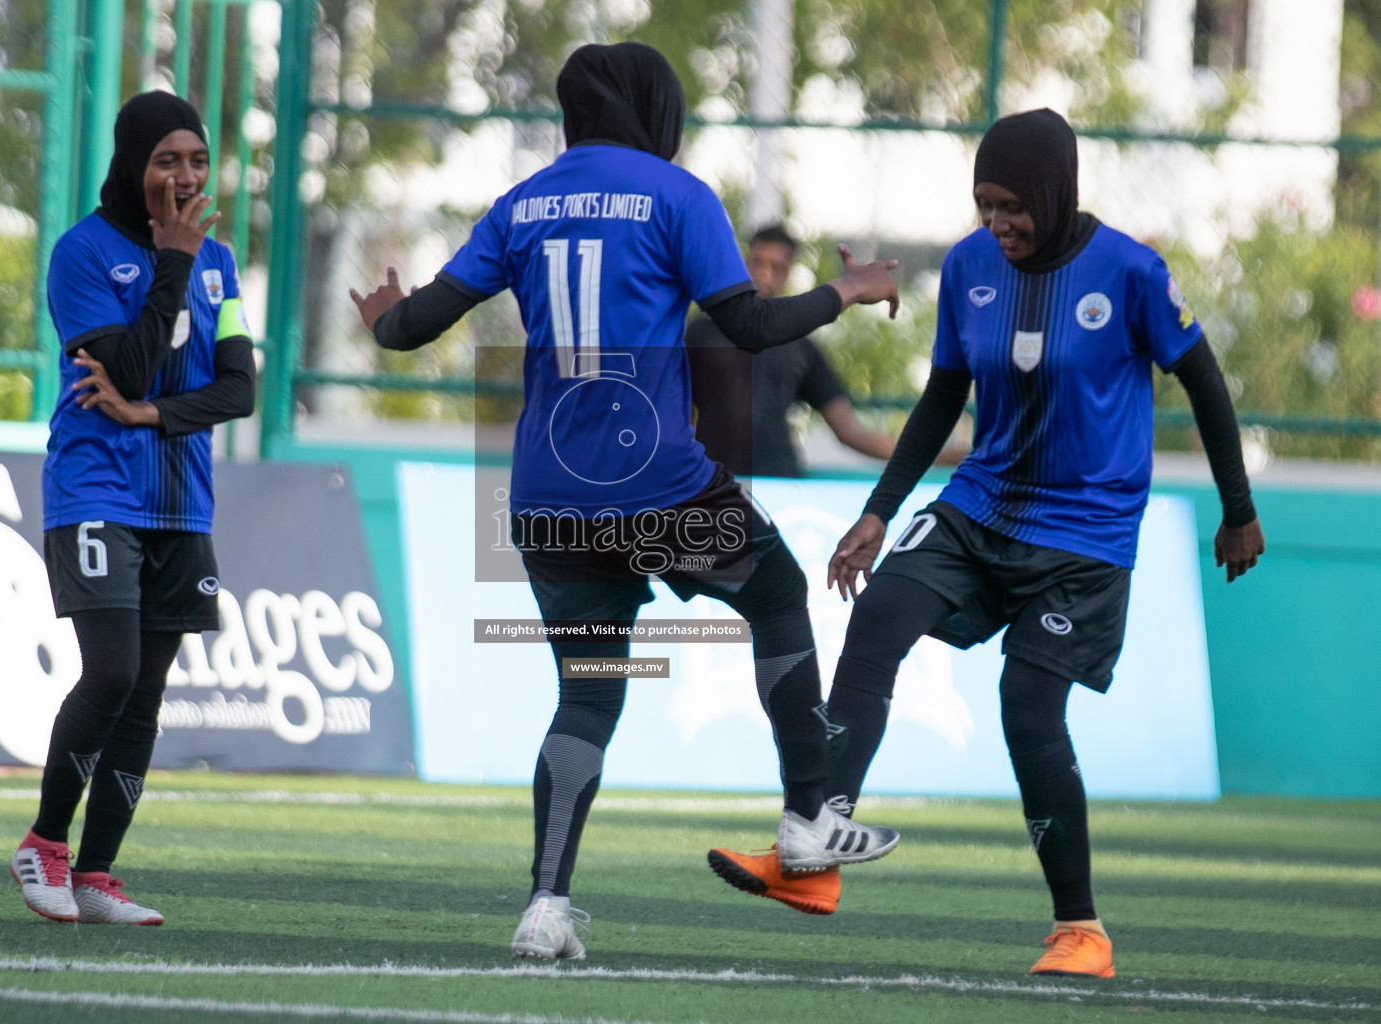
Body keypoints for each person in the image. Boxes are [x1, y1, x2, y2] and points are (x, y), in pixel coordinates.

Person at [351, 42, 904, 961]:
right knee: (773, 593)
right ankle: (807, 820)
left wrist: (382, 316)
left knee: (587, 694)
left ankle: (545, 906)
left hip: (548, 496)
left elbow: (411, 329)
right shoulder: (675, 194)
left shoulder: (523, 203)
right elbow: (751, 326)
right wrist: (844, 288)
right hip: (657, 482)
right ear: (656, 108)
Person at [709, 109, 1265, 976]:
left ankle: (1080, 930)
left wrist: (1239, 509)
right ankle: (815, 853)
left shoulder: (1129, 271)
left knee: (1027, 711)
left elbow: (1204, 382)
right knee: (879, 613)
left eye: (1014, 206)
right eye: (984, 205)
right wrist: (879, 512)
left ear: (1054, 192)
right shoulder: (970, 267)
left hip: (1086, 534)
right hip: (982, 505)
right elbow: (941, 400)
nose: (998, 223)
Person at [10, 91, 256, 926]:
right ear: (131, 165)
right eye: (165, 160)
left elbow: (239, 388)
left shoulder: (221, 262)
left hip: (182, 505)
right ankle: (43, 843)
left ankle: (98, 872)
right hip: (95, 490)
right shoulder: (82, 254)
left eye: (196, 158)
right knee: (110, 670)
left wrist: (150, 416)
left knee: (146, 693)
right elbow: (137, 363)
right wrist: (172, 264)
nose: (184, 176)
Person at [686, 224, 962, 477]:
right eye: (757, 262)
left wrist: (930, 456)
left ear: (789, 271)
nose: (764, 273)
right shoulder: (700, 332)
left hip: (777, 482)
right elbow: (675, 416)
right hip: (712, 484)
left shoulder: (800, 345)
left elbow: (848, 429)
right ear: (743, 261)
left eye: (777, 266)